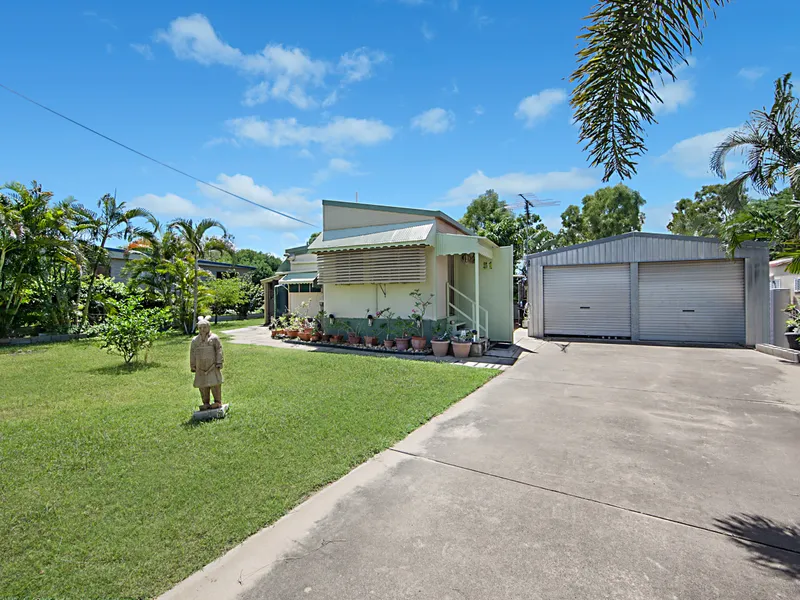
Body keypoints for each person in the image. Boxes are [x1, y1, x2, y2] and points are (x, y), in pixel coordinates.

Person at [189, 316, 224, 410]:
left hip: (212, 366)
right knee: (202, 385)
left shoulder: (214, 338)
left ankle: (217, 401)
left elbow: (219, 350)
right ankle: (205, 402)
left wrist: (219, 362)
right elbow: (192, 353)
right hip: (200, 367)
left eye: (204, 327)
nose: (202, 329)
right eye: (200, 328)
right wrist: (193, 365)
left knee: (215, 384)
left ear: (208, 327)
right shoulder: (195, 341)